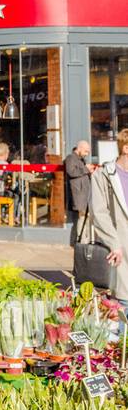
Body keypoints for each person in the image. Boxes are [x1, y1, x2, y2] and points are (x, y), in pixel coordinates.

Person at [89, 128, 128, 303]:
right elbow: (99, 213)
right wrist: (114, 243)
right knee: (123, 301)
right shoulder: (103, 175)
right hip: (121, 247)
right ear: (125, 148)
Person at [65, 140, 94, 243]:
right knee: (82, 217)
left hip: (84, 192)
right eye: (86, 151)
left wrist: (88, 170)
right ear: (80, 148)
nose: (86, 154)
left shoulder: (81, 159)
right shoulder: (70, 158)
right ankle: (81, 240)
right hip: (78, 193)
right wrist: (86, 169)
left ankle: (85, 239)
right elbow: (71, 172)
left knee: (86, 216)